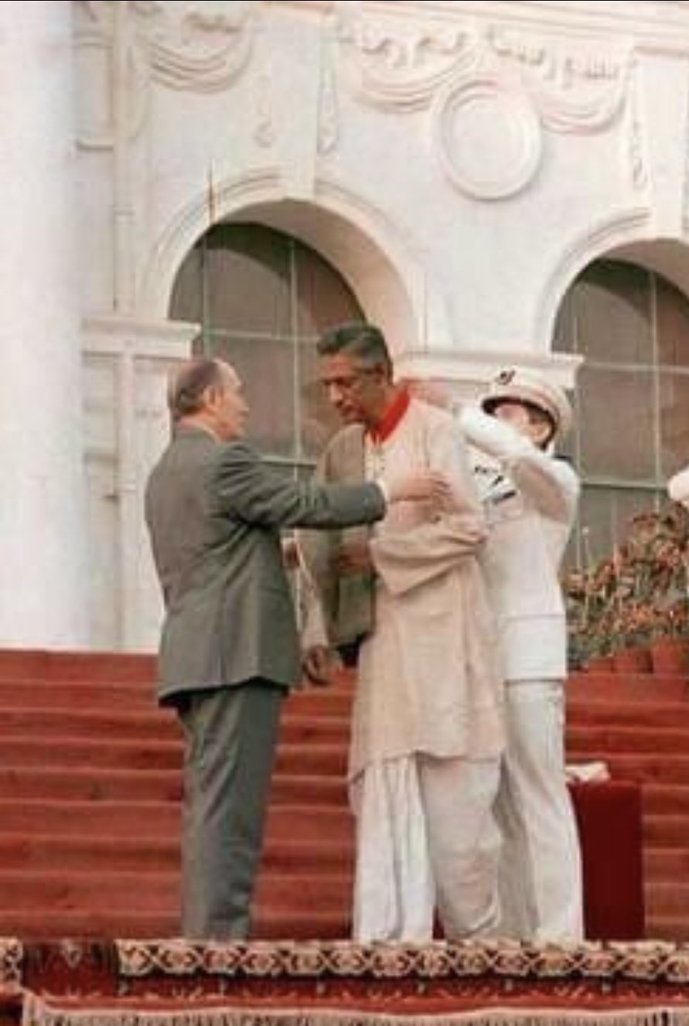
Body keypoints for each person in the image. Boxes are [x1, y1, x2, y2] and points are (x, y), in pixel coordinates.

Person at [144, 355, 448, 941]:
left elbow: (220, 550)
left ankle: (209, 936)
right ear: (208, 399)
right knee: (230, 812)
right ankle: (218, 945)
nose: (245, 404)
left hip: (200, 652)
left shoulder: (167, 468)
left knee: (214, 805)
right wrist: (390, 489)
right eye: (236, 392)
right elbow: (306, 505)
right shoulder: (224, 460)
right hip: (235, 656)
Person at [302, 322, 505, 942]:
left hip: (443, 630)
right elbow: (319, 538)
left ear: (381, 374)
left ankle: (484, 947)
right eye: (328, 384)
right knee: (382, 784)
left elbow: (471, 527)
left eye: (345, 382)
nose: (335, 396)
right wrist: (316, 627)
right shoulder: (343, 449)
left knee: (456, 809)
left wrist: (386, 555)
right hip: (382, 636)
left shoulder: (436, 430)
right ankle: (390, 941)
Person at [456, 368, 585, 942]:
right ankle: (511, 934)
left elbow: (522, 464)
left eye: (506, 413)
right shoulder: (482, 486)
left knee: (540, 797)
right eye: (491, 411)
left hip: (530, 657)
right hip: (481, 657)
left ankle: (560, 936)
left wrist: (460, 415)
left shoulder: (554, 480)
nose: (493, 423)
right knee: (497, 807)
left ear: (539, 426)